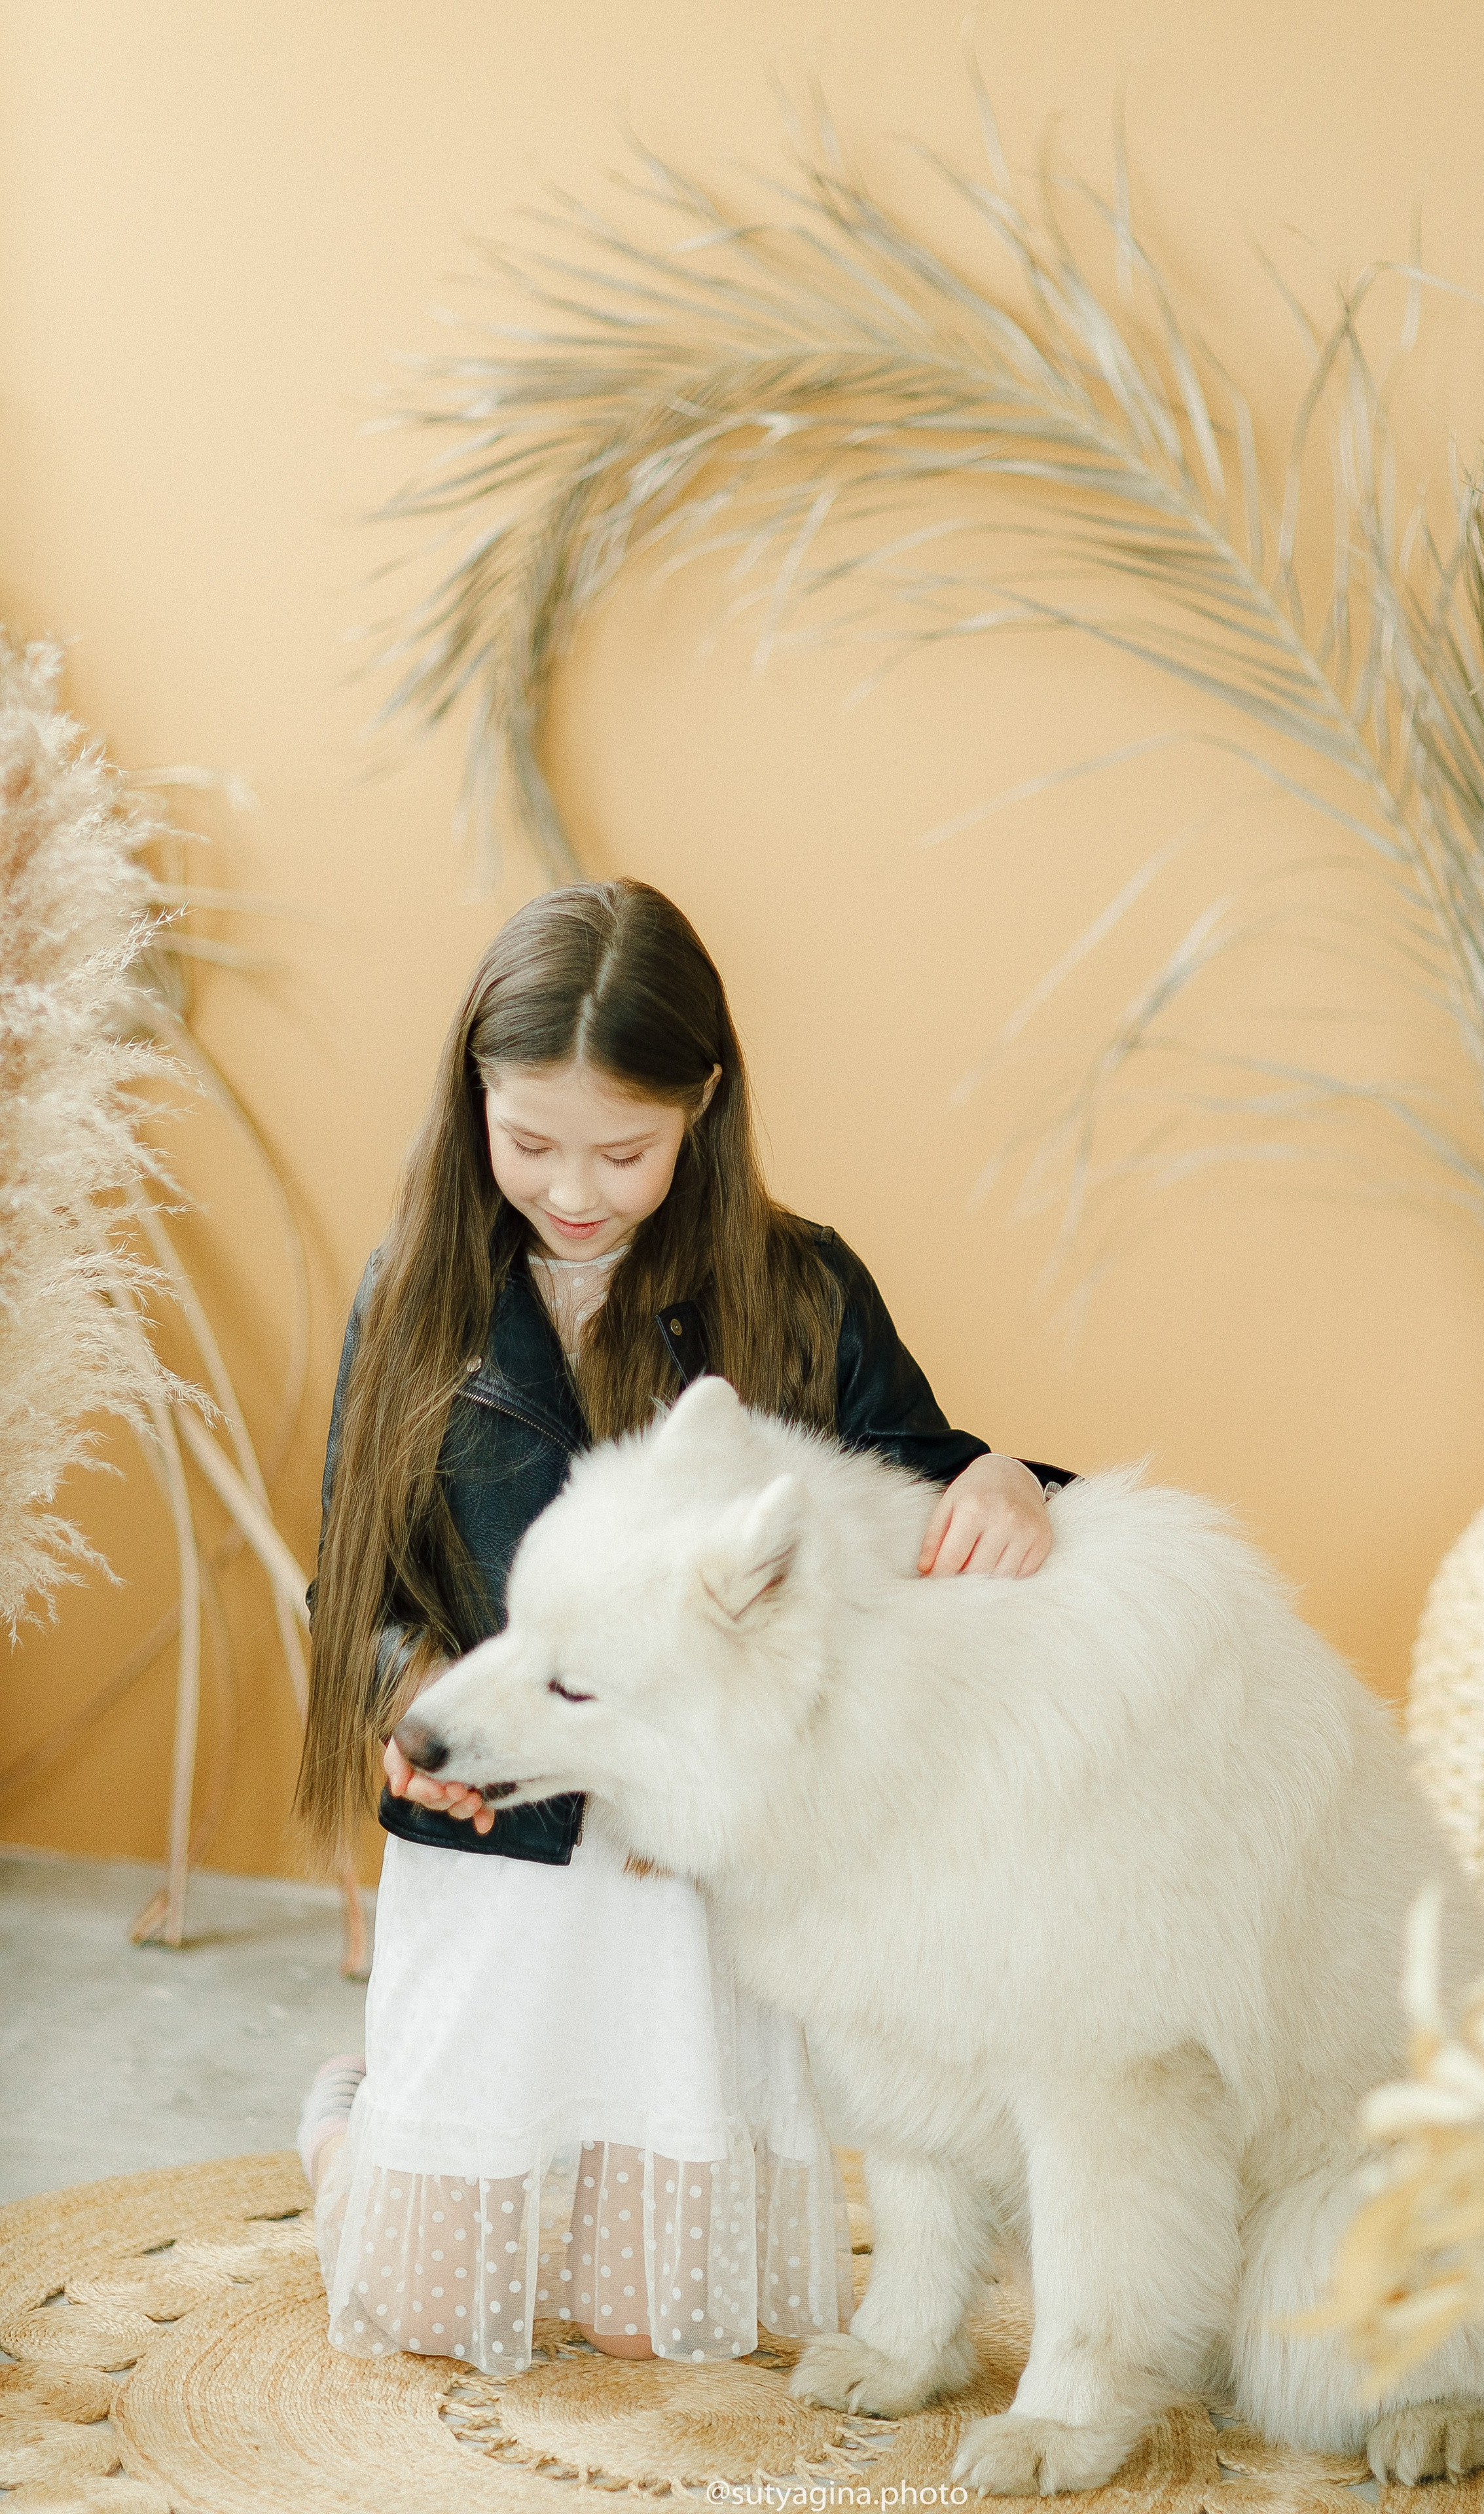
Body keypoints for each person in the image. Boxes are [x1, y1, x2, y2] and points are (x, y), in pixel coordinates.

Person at [293, 877, 1071, 2378]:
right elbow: (356, 1591)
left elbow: (908, 1477)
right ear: (474, 1106)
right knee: (438, 2320)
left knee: (663, 2329)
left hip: (691, 1877)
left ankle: (477, 2160)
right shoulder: (414, 1297)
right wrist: (422, 1700)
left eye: (625, 1152)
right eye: (529, 1144)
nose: (575, 1189)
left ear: (703, 1106)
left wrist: (1011, 1482)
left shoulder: (796, 1285)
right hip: (504, 1854)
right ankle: (349, 2129)